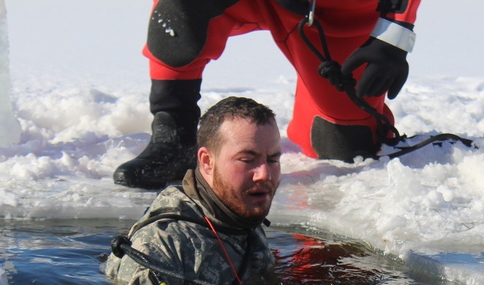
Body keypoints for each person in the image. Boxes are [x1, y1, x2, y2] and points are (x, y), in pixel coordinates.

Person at [114, 0, 421, 190]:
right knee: (180, 9)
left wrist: (394, 32)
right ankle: (172, 132)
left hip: (339, 12)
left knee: (344, 144)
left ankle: (319, 109)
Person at [105, 96, 281, 285]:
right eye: (247, 160)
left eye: (273, 160)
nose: (265, 174)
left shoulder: (239, 211)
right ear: (207, 161)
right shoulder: (161, 250)